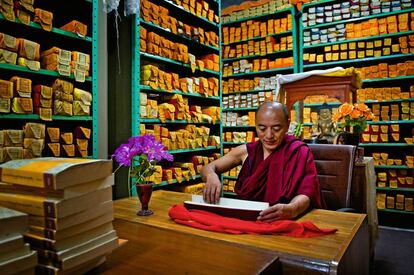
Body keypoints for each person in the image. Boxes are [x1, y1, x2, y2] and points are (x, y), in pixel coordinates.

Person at [201, 101, 322, 222]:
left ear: (287, 125)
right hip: (248, 219)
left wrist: (292, 209)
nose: (269, 135)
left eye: (276, 128)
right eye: (262, 128)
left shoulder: (299, 151)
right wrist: (211, 176)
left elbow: (307, 192)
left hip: (283, 220)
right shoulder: (247, 151)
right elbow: (208, 168)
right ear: (255, 125)